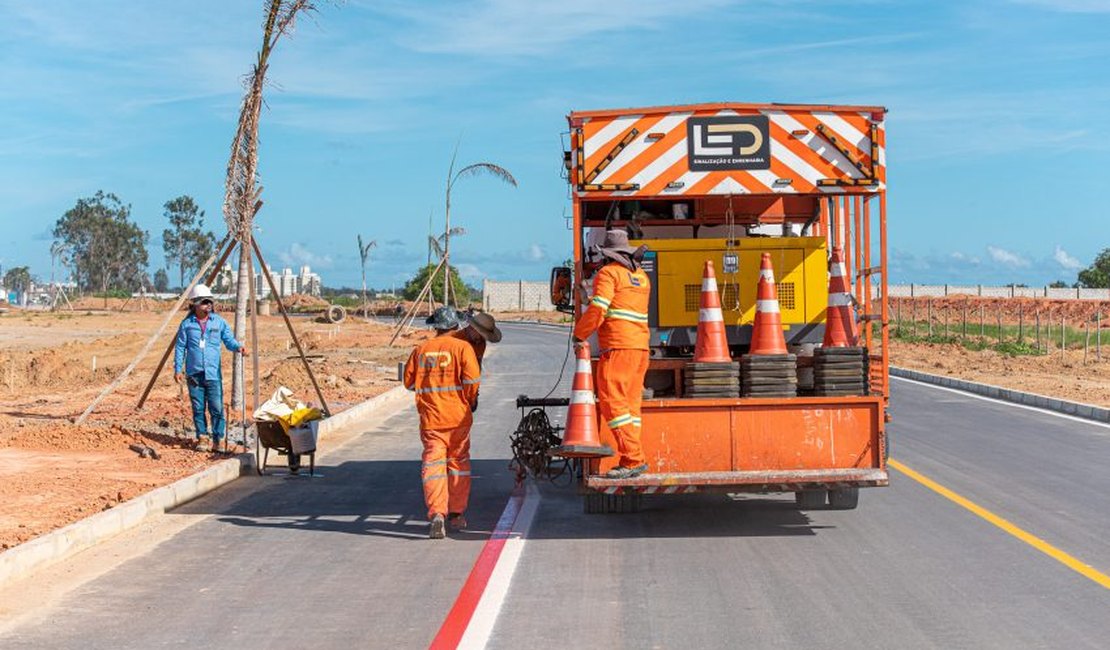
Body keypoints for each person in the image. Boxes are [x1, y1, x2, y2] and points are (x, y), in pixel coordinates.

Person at [572, 230, 651, 479]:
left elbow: (600, 308)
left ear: (607, 255)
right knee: (630, 407)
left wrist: (579, 334)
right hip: (640, 348)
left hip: (618, 348)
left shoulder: (608, 273)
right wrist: (590, 296)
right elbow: (619, 303)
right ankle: (632, 456)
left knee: (612, 402)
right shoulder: (640, 277)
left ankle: (633, 459)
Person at [403, 306, 481, 539]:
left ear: (435, 327)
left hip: (432, 420)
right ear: (455, 325)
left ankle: (438, 513)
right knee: (458, 464)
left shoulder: (421, 350)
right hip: (458, 418)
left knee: (434, 468)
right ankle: (457, 514)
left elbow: (408, 383)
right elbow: (472, 381)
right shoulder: (463, 348)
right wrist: (469, 400)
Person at [173, 284, 246, 453]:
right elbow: (180, 347)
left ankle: (218, 440)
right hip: (194, 374)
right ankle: (202, 437)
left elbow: (228, 340)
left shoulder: (219, 322)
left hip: (213, 373)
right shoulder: (187, 325)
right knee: (198, 408)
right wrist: (178, 369)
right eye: (205, 302)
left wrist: (238, 347)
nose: (208, 305)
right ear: (195, 304)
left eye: (209, 302)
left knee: (217, 407)